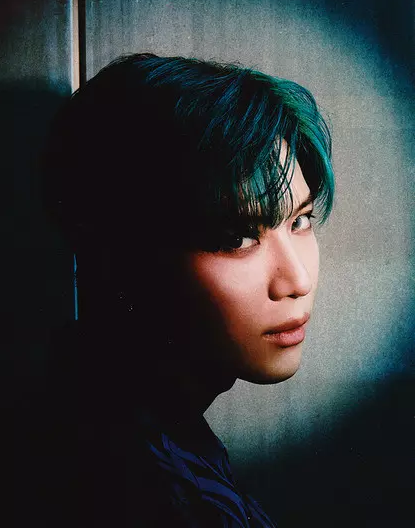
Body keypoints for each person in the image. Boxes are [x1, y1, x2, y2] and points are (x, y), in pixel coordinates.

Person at [41, 53, 334, 527]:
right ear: (125, 255)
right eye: (236, 238)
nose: (297, 281)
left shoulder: (98, 399)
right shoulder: (153, 494)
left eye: (299, 221)